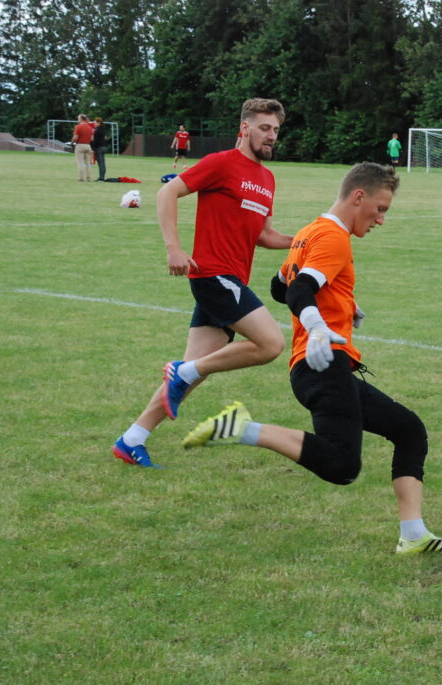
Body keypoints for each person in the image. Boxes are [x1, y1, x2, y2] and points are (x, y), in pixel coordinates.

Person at [181, 162, 442, 556]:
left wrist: (341, 302)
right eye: (380, 209)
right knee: (342, 465)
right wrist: (318, 325)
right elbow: (299, 290)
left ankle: (413, 535)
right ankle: (241, 428)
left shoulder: (308, 233)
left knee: (409, 430)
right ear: (359, 197)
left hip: (318, 368)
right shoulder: (333, 237)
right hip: (323, 365)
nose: (381, 219)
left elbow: (279, 286)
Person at [112, 98, 293, 468]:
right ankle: (181, 372)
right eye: (264, 128)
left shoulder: (267, 178)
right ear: (244, 128)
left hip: (231, 280)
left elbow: (264, 235)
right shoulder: (221, 163)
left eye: (275, 129)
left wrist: (304, 241)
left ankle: (132, 440)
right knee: (271, 343)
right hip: (213, 275)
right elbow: (167, 192)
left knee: (193, 373)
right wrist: (174, 248)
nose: (271, 135)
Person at [71, 114, 95, 181]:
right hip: (88, 145)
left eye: (78, 118)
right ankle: (89, 178)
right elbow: (92, 138)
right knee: (88, 163)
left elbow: (75, 137)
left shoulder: (78, 127)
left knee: (80, 162)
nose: (78, 120)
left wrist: (72, 142)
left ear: (81, 119)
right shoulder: (90, 128)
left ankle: (81, 177)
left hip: (80, 145)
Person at [92, 117, 109, 181]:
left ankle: (101, 178)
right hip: (103, 147)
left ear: (98, 123)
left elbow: (96, 141)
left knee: (100, 163)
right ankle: (102, 177)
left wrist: (93, 148)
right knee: (102, 163)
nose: (94, 124)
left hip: (99, 148)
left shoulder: (97, 130)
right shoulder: (103, 129)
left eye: (95, 123)